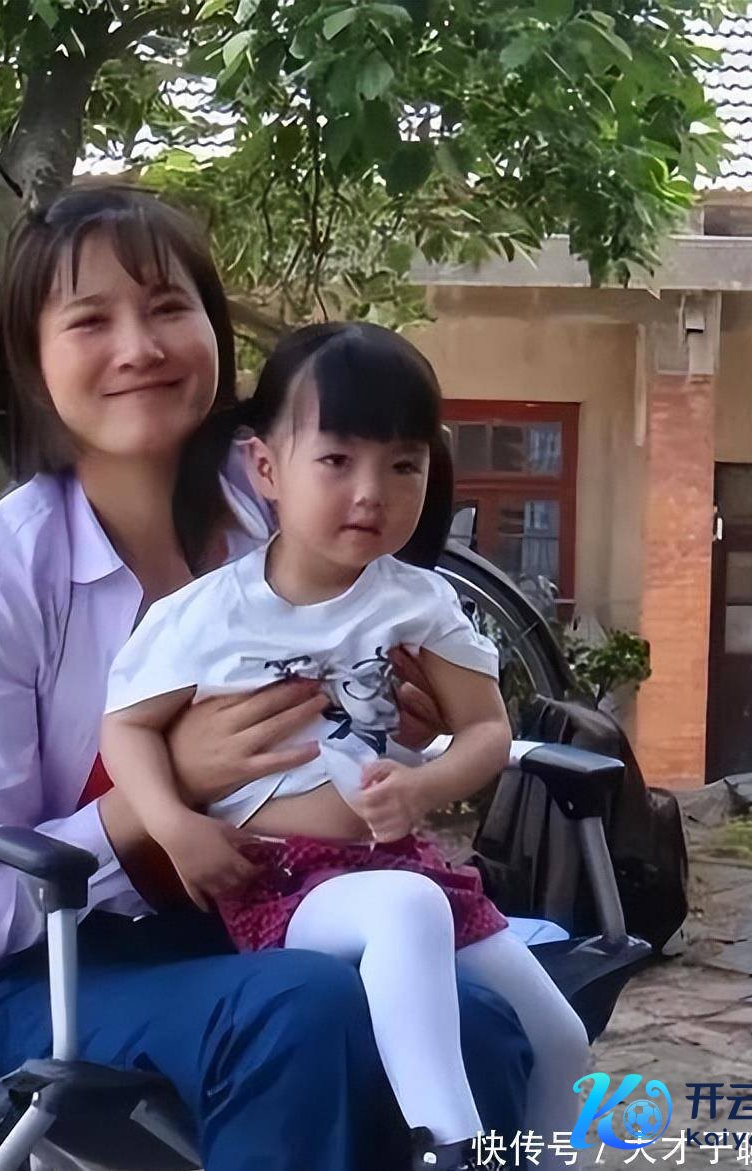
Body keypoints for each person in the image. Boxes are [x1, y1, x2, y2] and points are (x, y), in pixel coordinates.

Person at [0, 185, 535, 1171]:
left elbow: (422, 714)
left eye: (168, 307)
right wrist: (160, 798)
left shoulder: (297, 516)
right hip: (59, 969)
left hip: (277, 911)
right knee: (305, 1011)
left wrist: (401, 730)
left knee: (479, 1018)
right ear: (30, 361)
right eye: (90, 320)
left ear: (213, 330)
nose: (139, 347)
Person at [101, 322, 591, 1169]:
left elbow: (486, 730)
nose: (372, 493)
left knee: (560, 1036)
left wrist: (425, 786)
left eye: (403, 465)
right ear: (266, 468)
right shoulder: (207, 615)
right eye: (336, 460)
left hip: (405, 863)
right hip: (281, 879)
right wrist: (175, 826)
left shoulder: (421, 603)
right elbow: (126, 726)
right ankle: (449, 1142)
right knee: (407, 911)